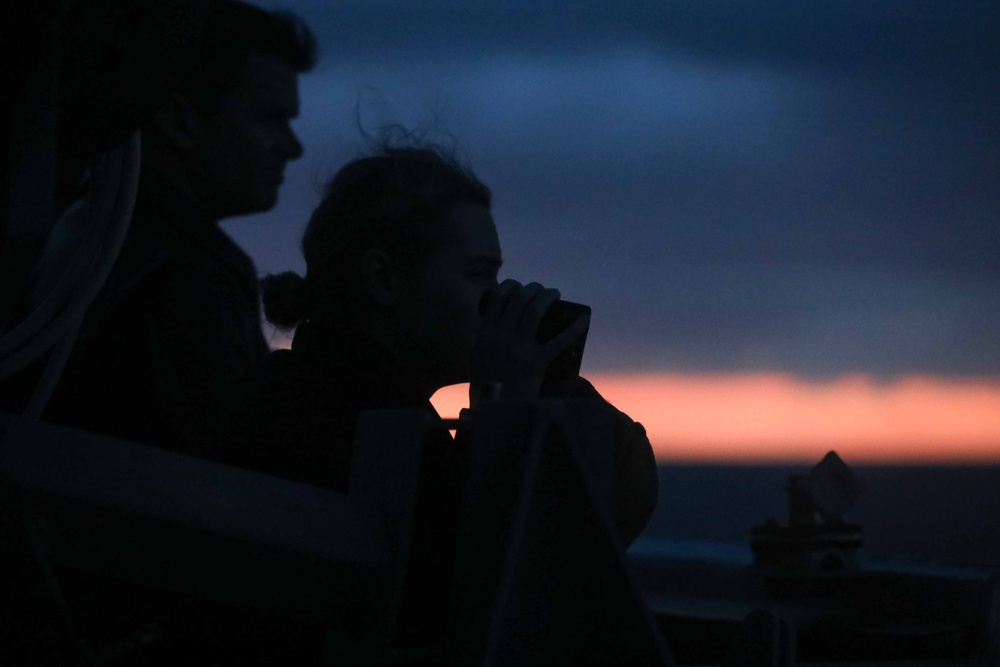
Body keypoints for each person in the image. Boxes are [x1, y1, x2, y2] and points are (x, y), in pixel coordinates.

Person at [213, 146, 659, 545]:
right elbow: (465, 579)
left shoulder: (336, 404)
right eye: (478, 274)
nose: (497, 298)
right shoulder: (329, 429)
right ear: (384, 280)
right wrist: (507, 412)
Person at [39, 0, 316, 451]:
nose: (292, 147)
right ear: (180, 120)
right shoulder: (185, 279)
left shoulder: (85, 235)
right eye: (270, 119)